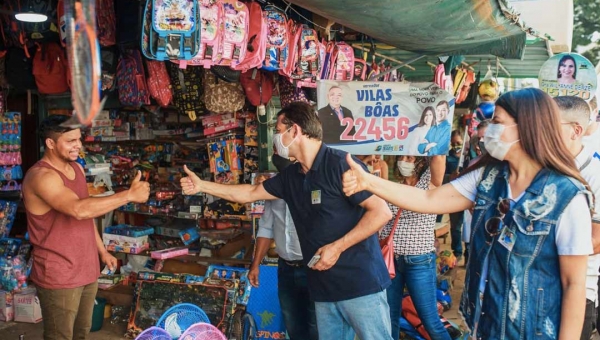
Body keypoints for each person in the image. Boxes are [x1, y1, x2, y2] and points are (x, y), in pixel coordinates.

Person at [342, 88, 593, 339]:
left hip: (532, 332)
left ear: (527, 127)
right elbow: (428, 198)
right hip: (484, 326)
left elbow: (573, 284)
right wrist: (369, 182)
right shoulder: (488, 178)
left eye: (498, 122)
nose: (490, 131)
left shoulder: (567, 196)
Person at [181, 102, 393, 340]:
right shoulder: (291, 176)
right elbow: (248, 194)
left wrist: (338, 247)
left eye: (279, 131)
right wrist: (201, 185)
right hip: (323, 287)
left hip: (359, 284)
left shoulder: (340, 164)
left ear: (296, 130)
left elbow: (381, 212)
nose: (276, 139)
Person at [22, 115, 150, 340]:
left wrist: (101, 251)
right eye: (70, 141)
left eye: (79, 139)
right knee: (60, 336)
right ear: (50, 143)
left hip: (87, 270)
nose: (78, 146)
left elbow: (87, 216)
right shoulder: (41, 176)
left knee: (81, 333)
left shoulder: (77, 170)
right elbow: (78, 209)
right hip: (59, 273)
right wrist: (128, 195)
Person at [248, 154, 318, 340]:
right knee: (293, 325)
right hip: (286, 268)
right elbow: (265, 228)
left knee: (316, 327)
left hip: (312, 267)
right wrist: (255, 265)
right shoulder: (273, 190)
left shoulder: (314, 187)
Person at [381, 154, 449, 340]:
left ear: (420, 162)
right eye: (402, 157)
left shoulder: (429, 183)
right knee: (389, 317)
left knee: (430, 321)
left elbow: (439, 158)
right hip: (390, 261)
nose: (404, 161)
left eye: (410, 158)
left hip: (419, 261)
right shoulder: (395, 186)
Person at [554, 96, 600, 340]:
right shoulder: (546, 164)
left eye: (551, 124)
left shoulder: (595, 172)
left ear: (576, 131)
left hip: (578, 291)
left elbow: (596, 240)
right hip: (539, 286)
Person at [445, 130, 465, 261]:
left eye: (458, 143)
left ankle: (470, 254)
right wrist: (450, 177)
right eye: (453, 143)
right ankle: (457, 252)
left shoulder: (470, 156)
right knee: (456, 227)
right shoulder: (447, 157)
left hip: (470, 195)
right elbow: (441, 176)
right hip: (454, 196)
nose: (456, 145)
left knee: (469, 227)